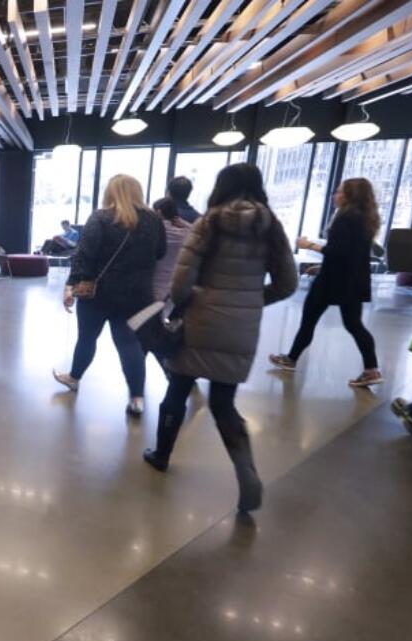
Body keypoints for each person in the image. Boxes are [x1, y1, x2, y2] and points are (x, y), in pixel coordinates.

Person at [144, 164, 298, 515]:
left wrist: (183, 304)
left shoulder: (209, 223)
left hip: (199, 319)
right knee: (223, 403)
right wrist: (251, 299)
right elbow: (288, 283)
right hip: (241, 326)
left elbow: (182, 283)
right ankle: (246, 471)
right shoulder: (271, 226)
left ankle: (161, 455)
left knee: (177, 390)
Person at [53, 174, 166, 416]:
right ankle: (136, 399)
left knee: (87, 338)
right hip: (137, 295)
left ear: (111, 192)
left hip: (98, 294)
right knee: (129, 344)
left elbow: (84, 256)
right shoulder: (154, 221)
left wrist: (71, 286)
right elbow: (160, 252)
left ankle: (74, 378)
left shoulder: (101, 218)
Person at [268, 178, 383, 387]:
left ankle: (291, 359)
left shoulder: (346, 218)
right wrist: (323, 266)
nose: (335, 195)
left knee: (310, 318)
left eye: (339, 192)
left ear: (350, 196)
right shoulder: (364, 219)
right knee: (354, 325)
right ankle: (371, 369)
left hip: (333, 282)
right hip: (351, 280)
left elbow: (337, 251)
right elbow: (350, 254)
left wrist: (308, 244)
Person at [152, 197, 191, 304]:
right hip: (171, 284)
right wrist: (184, 223)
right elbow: (197, 234)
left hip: (153, 281)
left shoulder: (154, 231)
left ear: (158, 212)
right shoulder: (184, 234)